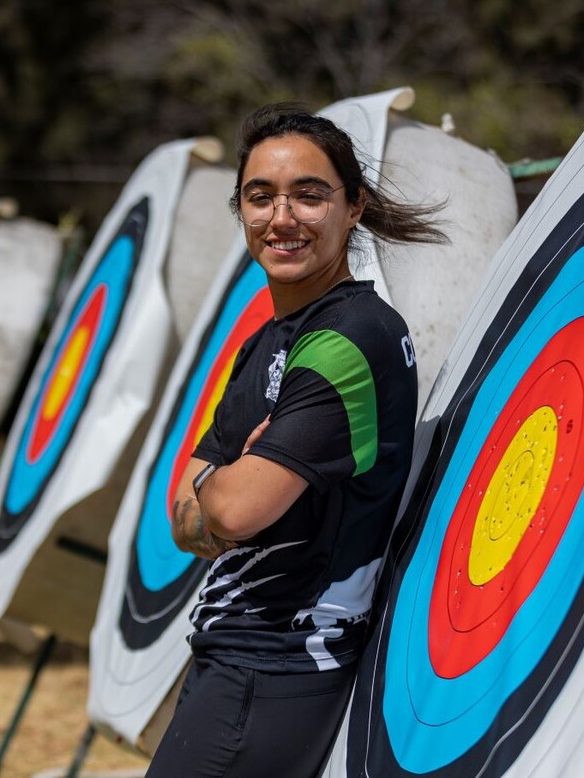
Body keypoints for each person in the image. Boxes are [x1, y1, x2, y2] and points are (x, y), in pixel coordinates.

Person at [148, 102, 447, 778]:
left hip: (276, 666)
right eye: (261, 197)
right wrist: (223, 487)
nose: (282, 218)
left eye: (309, 195)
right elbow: (183, 515)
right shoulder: (268, 340)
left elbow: (231, 511)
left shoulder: (350, 338)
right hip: (239, 658)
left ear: (354, 206)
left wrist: (223, 488)